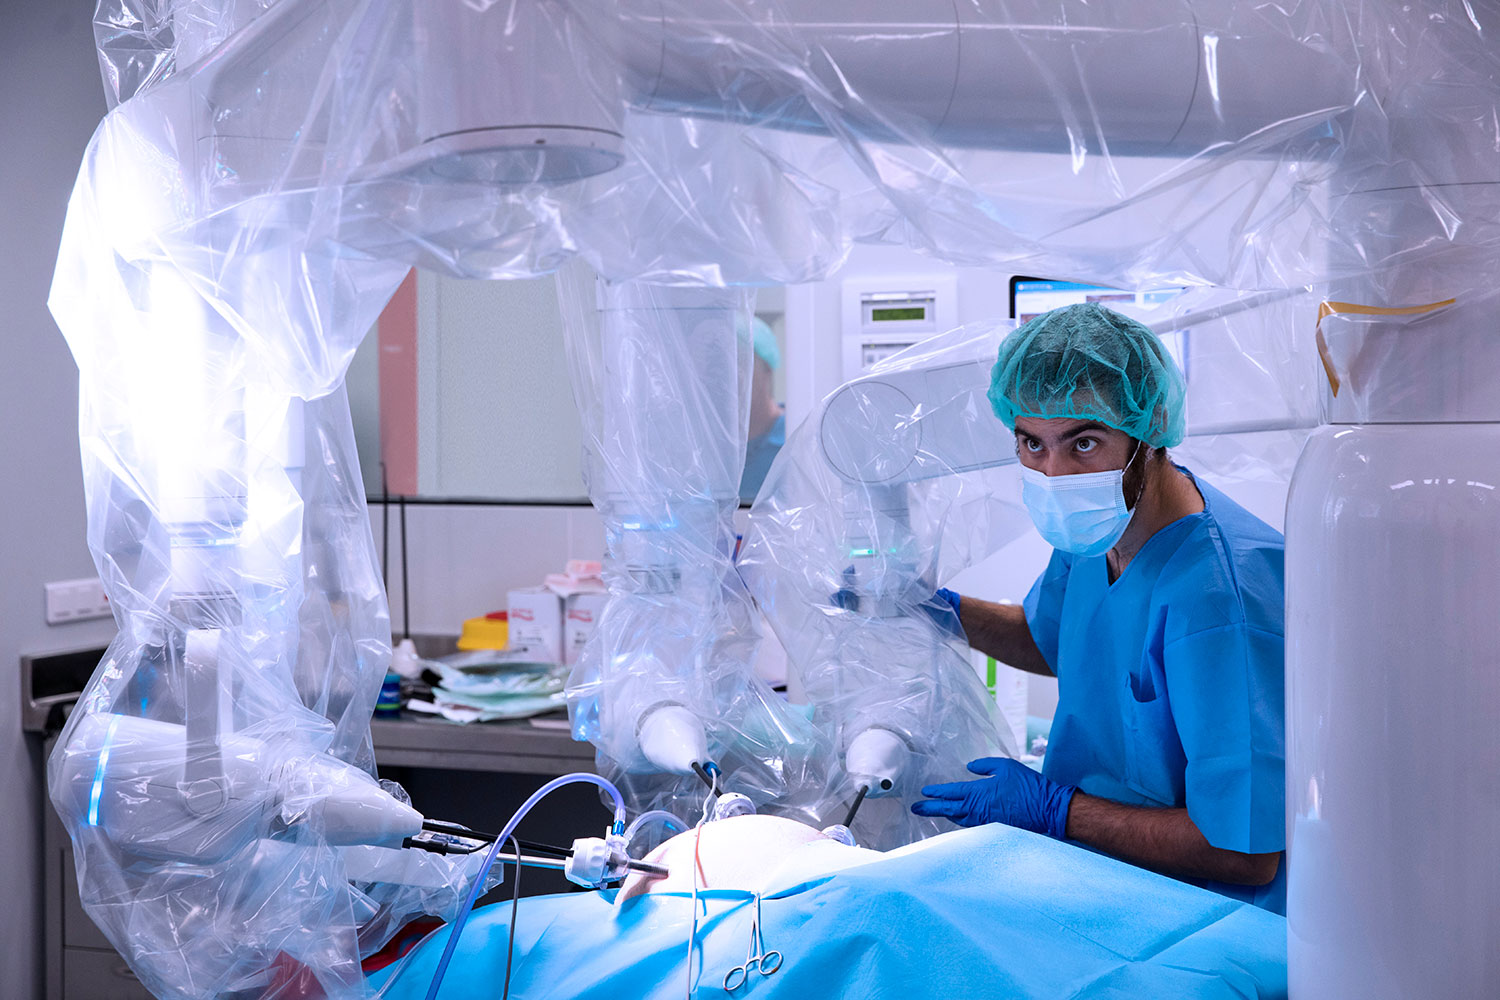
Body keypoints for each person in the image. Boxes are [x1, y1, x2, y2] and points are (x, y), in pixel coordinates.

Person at [912, 302, 1287, 914]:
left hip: (1205, 918)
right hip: (1105, 880)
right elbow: (1054, 640)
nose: (1054, 473)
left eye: (1083, 442)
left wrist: (1055, 810)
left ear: (1151, 429)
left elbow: (1243, 852)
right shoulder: (1098, 533)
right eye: (1031, 443)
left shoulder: (1223, 599)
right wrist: (941, 610)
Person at [739, 317, 785, 502]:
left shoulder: (792, 438)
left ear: (767, 368)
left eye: (741, 361)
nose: (730, 375)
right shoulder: (711, 449)